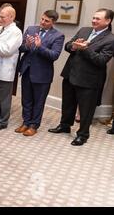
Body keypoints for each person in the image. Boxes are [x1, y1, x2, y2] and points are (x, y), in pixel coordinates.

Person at [49, 8, 114, 146]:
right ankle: (65, 125)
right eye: (94, 17)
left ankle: (83, 135)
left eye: (98, 18)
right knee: (67, 103)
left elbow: (101, 60)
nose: (94, 20)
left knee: (86, 110)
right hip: (71, 73)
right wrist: (73, 46)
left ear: (108, 21)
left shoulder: (110, 39)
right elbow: (68, 46)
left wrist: (85, 49)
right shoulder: (84, 30)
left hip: (89, 80)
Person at [16, 10, 64, 136]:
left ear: (53, 22)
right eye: (42, 19)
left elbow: (54, 55)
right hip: (27, 70)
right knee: (26, 100)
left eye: (46, 21)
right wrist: (27, 45)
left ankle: (33, 125)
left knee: (38, 102)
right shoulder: (31, 29)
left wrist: (39, 46)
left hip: (42, 74)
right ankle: (26, 122)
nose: (42, 22)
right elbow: (21, 47)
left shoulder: (58, 35)